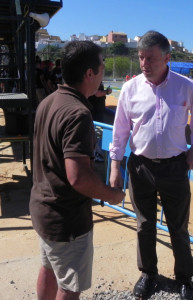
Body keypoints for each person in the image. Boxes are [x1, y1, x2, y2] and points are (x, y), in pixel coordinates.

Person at [109, 31, 193, 300]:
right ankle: (149, 273)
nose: (144, 64)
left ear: (167, 58)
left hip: (175, 166)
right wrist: (115, 165)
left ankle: (185, 278)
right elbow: (119, 131)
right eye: (141, 57)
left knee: (179, 226)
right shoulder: (131, 89)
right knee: (144, 225)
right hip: (140, 166)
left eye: (150, 58)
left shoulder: (184, 86)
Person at [30, 41, 125, 300]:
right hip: (66, 218)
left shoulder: (49, 102)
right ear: (89, 74)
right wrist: (112, 195)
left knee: (49, 268)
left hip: (43, 208)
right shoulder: (78, 113)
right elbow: (78, 177)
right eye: (102, 65)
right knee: (69, 285)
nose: (104, 69)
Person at [89, 82, 112, 162]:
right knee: (97, 135)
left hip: (99, 111)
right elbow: (97, 93)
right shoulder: (93, 81)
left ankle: (99, 153)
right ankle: (97, 154)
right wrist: (107, 92)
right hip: (95, 112)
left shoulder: (98, 81)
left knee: (99, 134)